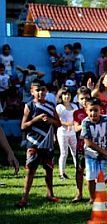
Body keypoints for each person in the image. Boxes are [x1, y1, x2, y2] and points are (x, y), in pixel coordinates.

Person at [16, 79, 61, 208]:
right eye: (37, 90)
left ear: (46, 91)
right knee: (30, 170)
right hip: (33, 142)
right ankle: (24, 197)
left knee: (49, 169)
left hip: (47, 142)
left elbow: (58, 123)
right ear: (32, 91)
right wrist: (35, 120)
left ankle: (50, 194)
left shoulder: (51, 106)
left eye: (43, 90)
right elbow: (23, 126)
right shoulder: (29, 106)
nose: (40, 92)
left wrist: (51, 121)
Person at [81, 98, 107, 203]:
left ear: (100, 110)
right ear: (86, 111)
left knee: (102, 176)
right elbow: (88, 142)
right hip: (90, 154)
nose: (93, 113)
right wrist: (104, 151)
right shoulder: (85, 123)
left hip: (104, 154)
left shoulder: (106, 120)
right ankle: (92, 198)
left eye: (96, 110)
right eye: (90, 110)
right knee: (90, 176)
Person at [72, 86, 92, 202]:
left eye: (86, 98)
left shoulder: (94, 109)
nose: (84, 101)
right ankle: (79, 193)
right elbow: (76, 128)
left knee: (91, 171)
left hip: (93, 146)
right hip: (81, 145)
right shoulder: (77, 113)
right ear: (78, 100)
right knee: (79, 169)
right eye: (82, 98)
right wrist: (85, 122)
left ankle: (92, 195)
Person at [55, 87, 79, 180]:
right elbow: (57, 121)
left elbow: (77, 118)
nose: (67, 96)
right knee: (64, 153)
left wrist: (74, 124)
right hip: (62, 132)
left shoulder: (74, 106)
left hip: (72, 132)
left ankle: (79, 170)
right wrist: (67, 124)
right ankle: (62, 173)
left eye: (68, 94)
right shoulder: (59, 107)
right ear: (61, 96)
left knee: (75, 152)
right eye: (65, 94)